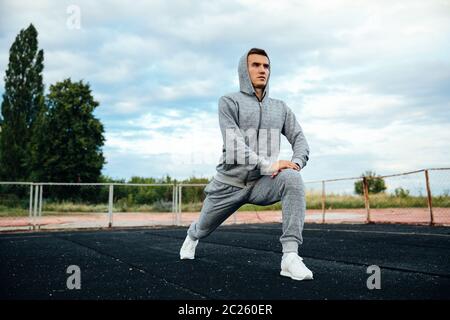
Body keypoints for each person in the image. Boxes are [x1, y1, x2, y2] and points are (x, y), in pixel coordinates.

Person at [180, 48, 313, 281]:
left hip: (263, 183)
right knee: (203, 226)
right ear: (244, 69)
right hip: (229, 184)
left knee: (292, 179)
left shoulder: (280, 108)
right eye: (256, 65)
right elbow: (235, 145)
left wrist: (296, 163)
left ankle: (290, 257)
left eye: (266, 66)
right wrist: (268, 165)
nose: (262, 70)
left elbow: (300, 139)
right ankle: (191, 237)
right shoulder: (229, 102)